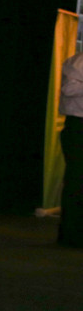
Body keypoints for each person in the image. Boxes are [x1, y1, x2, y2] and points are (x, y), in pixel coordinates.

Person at [60, 51, 83, 246]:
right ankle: (71, 235)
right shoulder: (79, 61)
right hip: (78, 127)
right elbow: (68, 88)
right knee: (77, 182)